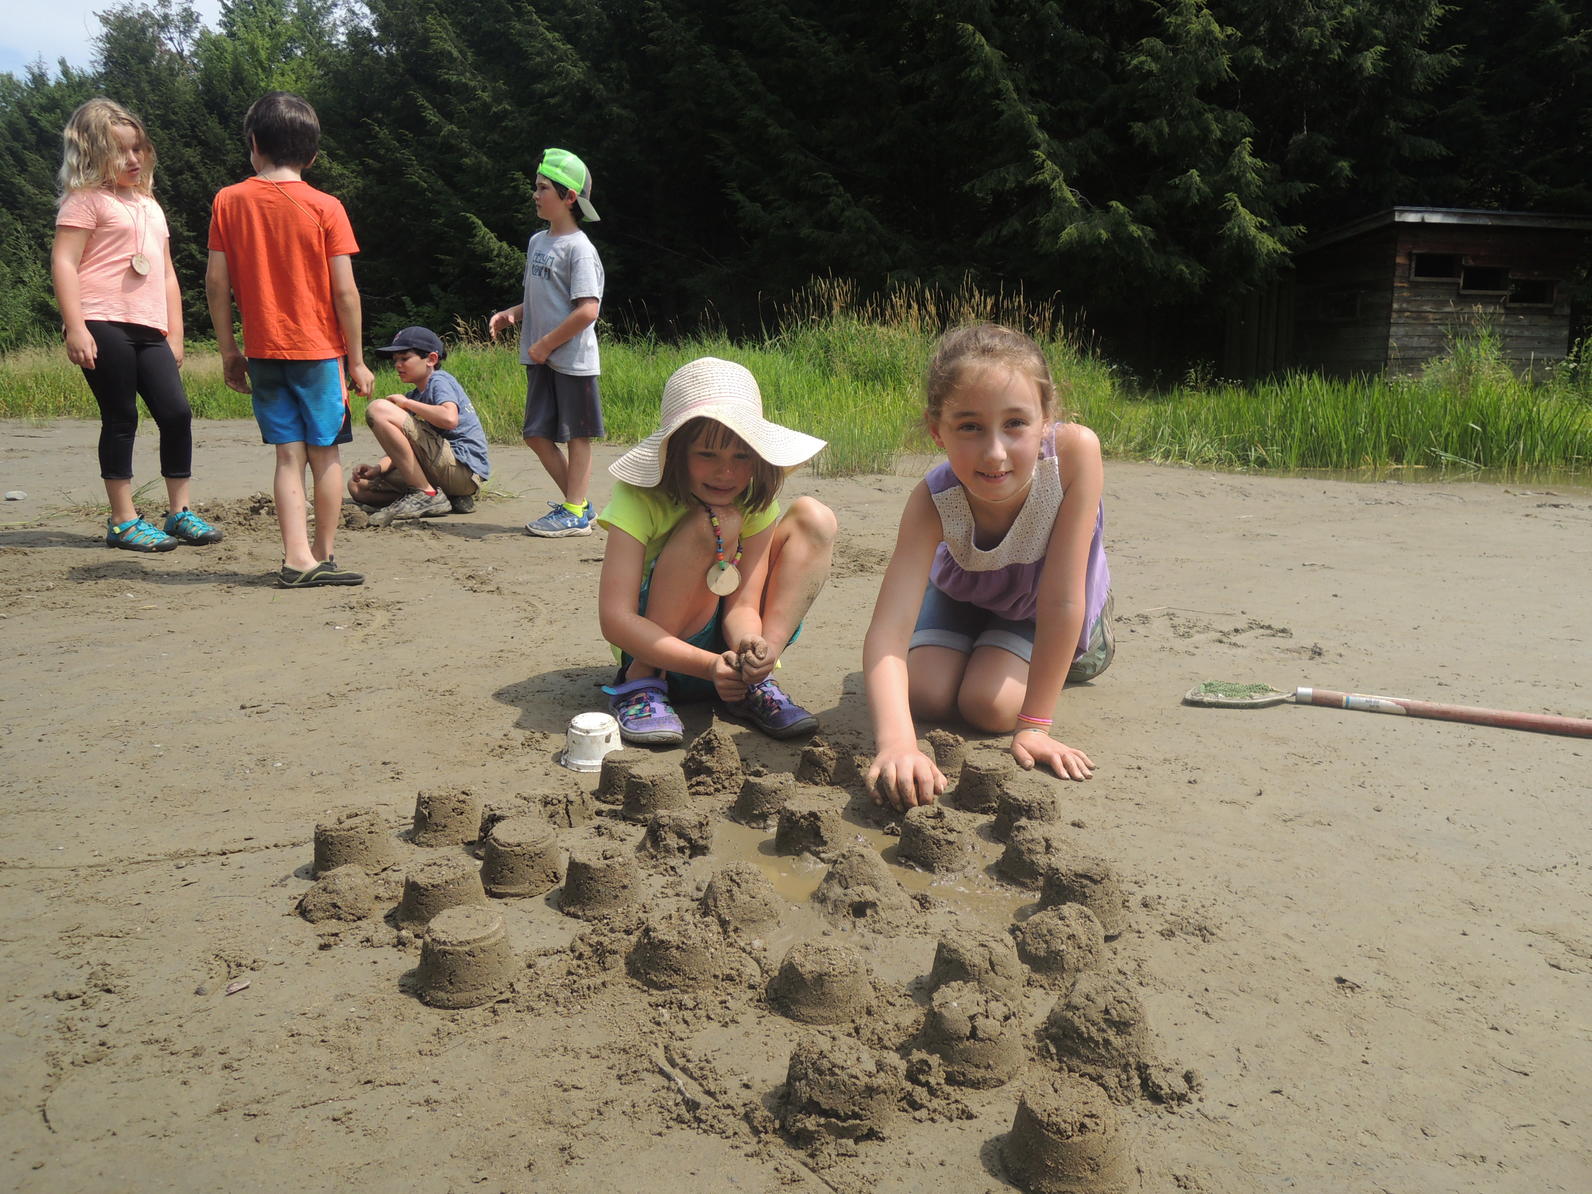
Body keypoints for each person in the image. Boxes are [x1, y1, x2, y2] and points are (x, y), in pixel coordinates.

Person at [863, 324, 1114, 810]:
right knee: (925, 696)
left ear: (1046, 419)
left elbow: (1062, 599)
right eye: (970, 426)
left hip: (1044, 600)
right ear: (938, 430)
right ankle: (979, 643)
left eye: (1015, 423)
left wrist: (1035, 725)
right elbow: (887, 633)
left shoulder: (1075, 455)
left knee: (991, 706)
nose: (995, 452)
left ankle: (1071, 649)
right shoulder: (931, 501)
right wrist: (897, 742)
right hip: (963, 591)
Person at [597, 356, 838, 747]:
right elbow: (615, 619)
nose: (726, 473)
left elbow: (743, 604)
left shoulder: (753, 502)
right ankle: (642, 684)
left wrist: (751, 646)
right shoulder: (637, 498)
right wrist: (707, 665)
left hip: (727, 657)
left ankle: (757, 677)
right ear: (676, 451)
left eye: (741, 456)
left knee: (816, 517)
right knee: (717, 522)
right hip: (654, 649)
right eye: (707, 454)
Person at [204, 91, 373, 588]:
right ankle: (322, 552)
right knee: (326, 455)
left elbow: (217, 283)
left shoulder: (228, 201)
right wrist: (357, 360)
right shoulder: (327, 207)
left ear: (253, 144)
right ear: (313, 154)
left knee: (287, 456)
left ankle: (295, 557)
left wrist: (228, 351)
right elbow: (345, 291)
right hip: (320, 353)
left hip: (262, 350)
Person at [50, 97, 223, 553]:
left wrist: (177, 332)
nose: (133, 159)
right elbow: (64, 262)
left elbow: (165, 272)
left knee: (176, 413)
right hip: (101, 319)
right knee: (122, 416)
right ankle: (123, 521)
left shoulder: (149, 204)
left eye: (138, 149)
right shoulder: (84, 200)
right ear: (92, 154)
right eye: (120, 151)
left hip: (151, 327)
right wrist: (76, 327)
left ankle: (179, 512)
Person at [487, 148, 605, 538]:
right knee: (535, 434)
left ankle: (573, 511)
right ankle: (579, 505)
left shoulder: (580, 249)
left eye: (543, 188)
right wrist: (513, 314)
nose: (535, 194)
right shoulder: (538, 241)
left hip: (570, 360)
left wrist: (546, 345)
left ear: (569, 197)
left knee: (576, 435)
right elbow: (544, 298)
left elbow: (588, 310)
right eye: (535, 187)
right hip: (540, 359)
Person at [347, 326, 492, 525]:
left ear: (431, 359)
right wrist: (378, 469)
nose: (397, 365)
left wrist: (406, 404)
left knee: (379, 409)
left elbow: (450, 418)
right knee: (359, 487)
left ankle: (425, 494)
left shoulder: (439, 380)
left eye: (404, 358)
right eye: (395, 360)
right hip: (443, 470)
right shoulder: (415, 395)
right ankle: (446, 498)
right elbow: (405, 448)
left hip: (463, 470)